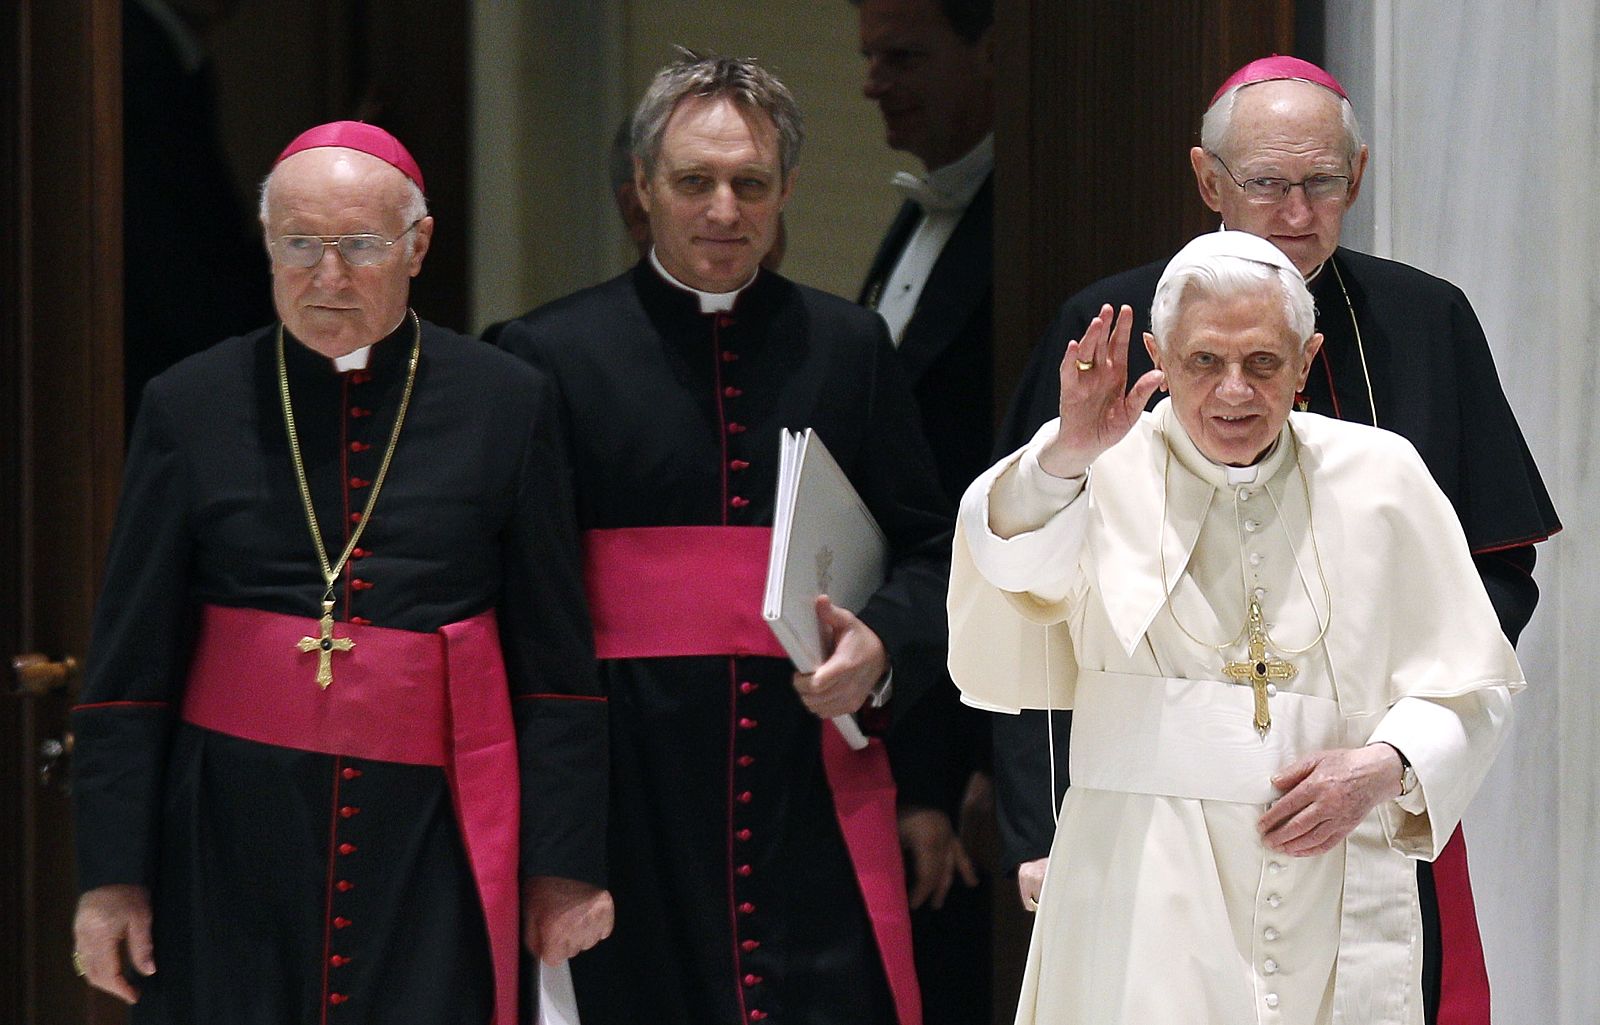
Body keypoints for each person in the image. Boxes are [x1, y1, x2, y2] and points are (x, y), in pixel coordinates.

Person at [991, 56, 1560, 1023]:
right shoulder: (1116, 327)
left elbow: (1492, 576)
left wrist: (1401, 749)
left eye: (1322, 183)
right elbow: (1036, 598)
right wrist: (1045, 822)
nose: (1296, 212)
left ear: (1359, 177)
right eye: (1265, 184)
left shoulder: (1426, 319)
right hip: (1155, 830)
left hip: (1358, 796)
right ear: (1209, 181)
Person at [70, 121, 612, 1025]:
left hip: (430, 835)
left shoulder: (508, 402)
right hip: (226, 836)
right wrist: (109, 877)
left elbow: (556, 662)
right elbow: (129, 670)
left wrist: (563, 865)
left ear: (418, 246)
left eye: (359, 246)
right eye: (297, 246)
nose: (327, 277)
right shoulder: (187, 404)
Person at [495, 51, 952, 1025]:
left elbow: (933, 552)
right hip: (629, 788)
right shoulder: (544, 357)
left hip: (807, 782)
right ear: (641, 192)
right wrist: (556, 847)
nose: (722, 209)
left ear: (786, 188)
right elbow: (525, 611)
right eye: (693, 182)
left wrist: (880, 647)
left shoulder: (850, 348)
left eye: (749, 183)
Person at [853, 1, 995, 1020]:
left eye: (902, 55)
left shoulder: (1025, 225)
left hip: (964, 714)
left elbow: (993, 522)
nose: (874, 81)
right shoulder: (915, 212)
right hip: (893, 677)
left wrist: (953, 765)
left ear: (988, 53)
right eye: (867, 57)